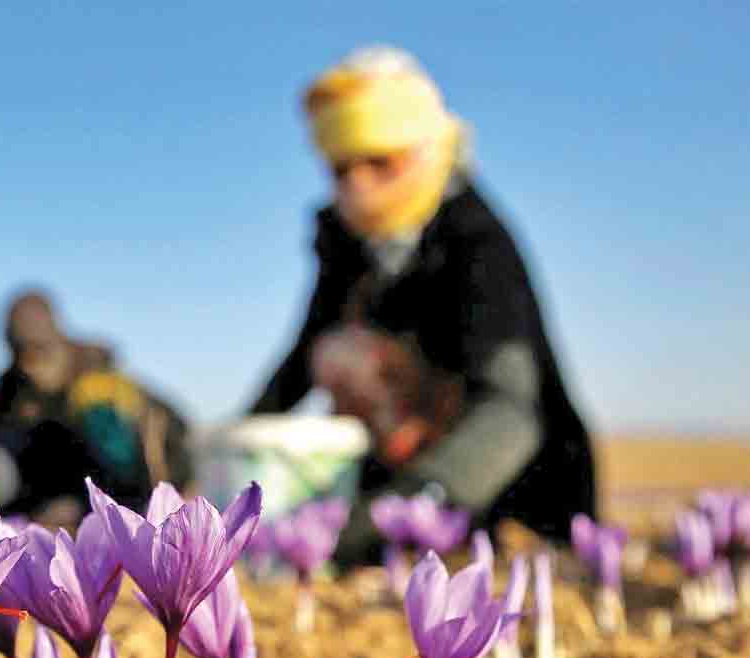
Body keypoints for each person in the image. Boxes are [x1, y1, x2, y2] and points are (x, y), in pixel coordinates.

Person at [249, 47, 595, 562]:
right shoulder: (348, 247)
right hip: (393, 480)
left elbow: (510, 412)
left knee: (354, 357)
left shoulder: (477, 242)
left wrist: (403, 511)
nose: (357, 184)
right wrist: (231, 460)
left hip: (502, 492)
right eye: (341, 168)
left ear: (426, 149)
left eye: (380, 161)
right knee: (335, 351)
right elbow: (301, 360)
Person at [0, 288, 193, 527]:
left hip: (124, 521)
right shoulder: (14, 389)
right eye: (19, 353)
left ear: (58, 340)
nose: (30, 366)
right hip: (39, 520)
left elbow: (174, 445)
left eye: (39, 351)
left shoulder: (104, 384)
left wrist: (128, 426)